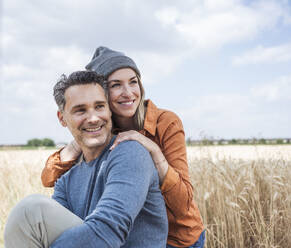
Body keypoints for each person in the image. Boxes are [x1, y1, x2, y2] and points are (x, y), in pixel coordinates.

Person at [41, 47, 205, 247]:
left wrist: (153, 151)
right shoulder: (102, 129)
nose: (128, 93)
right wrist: (77, 143)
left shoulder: (164, 122)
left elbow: (183, 203)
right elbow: (48, 179)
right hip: (136, 234)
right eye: (116, 85)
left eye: (133, 82)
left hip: (179, 237)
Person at [4, 71, 168, 248]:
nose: (93, 118)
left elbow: (108, 230)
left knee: (30, 211)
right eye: (80, 110)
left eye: (99, 107)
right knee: (32, 213)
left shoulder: (130, 153)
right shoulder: (66, 181)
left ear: (109, 110)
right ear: (62, 119)